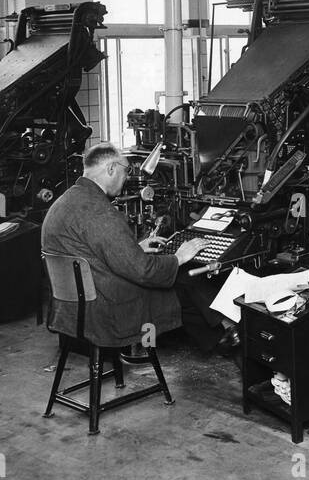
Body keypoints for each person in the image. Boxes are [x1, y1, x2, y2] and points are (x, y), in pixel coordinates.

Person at [42, 143, 236, 356]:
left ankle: (220, 338)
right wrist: (179, 256)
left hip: (70, 311)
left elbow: (92, 252)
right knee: (186, 279)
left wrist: (135, 248)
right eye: (126, 171)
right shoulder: (100, 211)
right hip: (104, 312)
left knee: (181, 282)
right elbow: (143, 271)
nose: (126, 178)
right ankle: (224, 340)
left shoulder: (66, 201)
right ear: (110, 169)